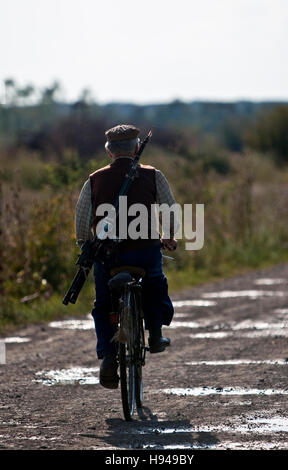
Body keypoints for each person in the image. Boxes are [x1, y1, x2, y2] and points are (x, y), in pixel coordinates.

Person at [75, 124, 178, 389]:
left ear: (109, 153)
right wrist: (168, 235)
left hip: (108, 257)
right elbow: (169, 209)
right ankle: (155, 335)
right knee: (156, 283)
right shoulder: (153, 175)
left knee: (102, 305)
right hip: (145, 251)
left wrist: (85, 245)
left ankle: (109, 357)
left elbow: (82, 219)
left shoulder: (94, 179)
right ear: (135, 149)